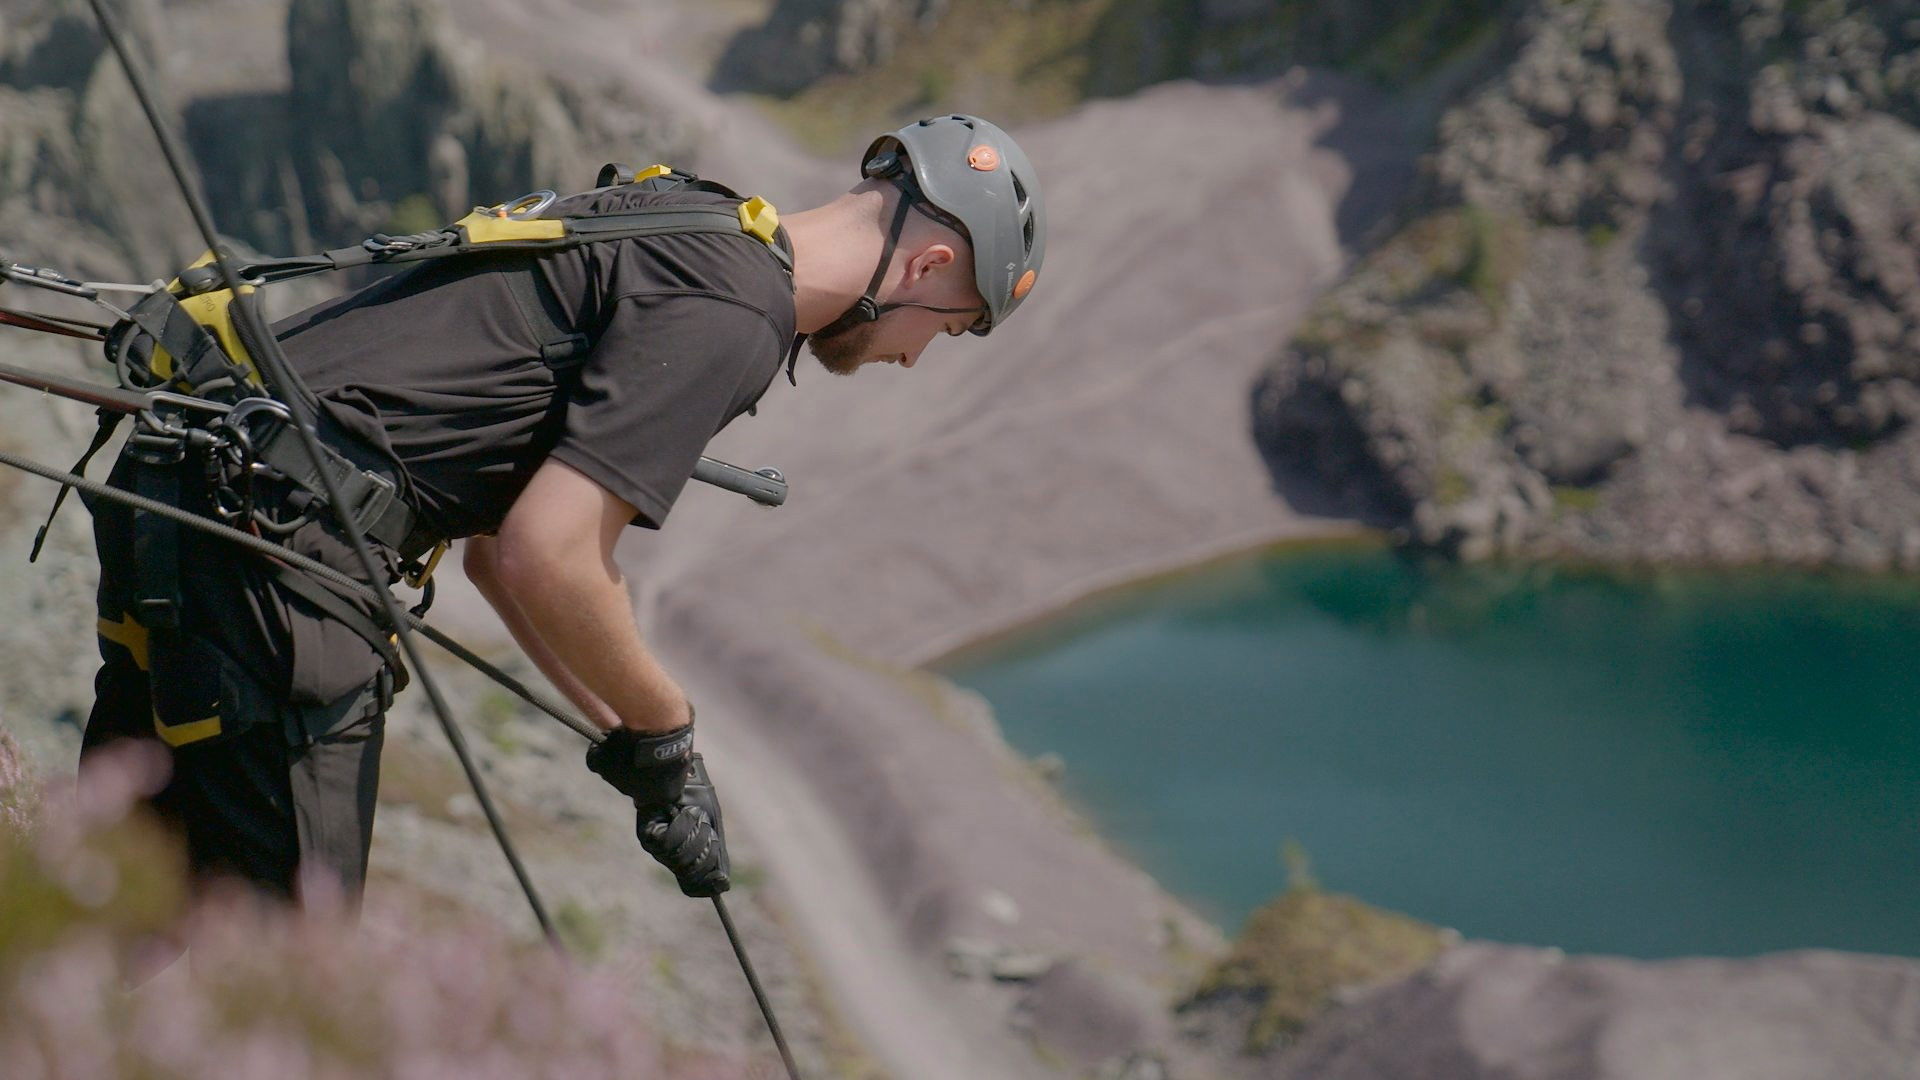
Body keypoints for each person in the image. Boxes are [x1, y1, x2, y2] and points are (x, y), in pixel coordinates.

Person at [79, 114, 1046, 906]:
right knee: (286, 978)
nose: (917, 357)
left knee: (121, 900)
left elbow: (501, 555)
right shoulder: (741, 310)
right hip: (283, 554)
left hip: (187, 475)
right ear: (925, 268)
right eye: (951, 328)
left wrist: (634, 743)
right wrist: (667, 722)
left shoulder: (687, 214)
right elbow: (552, 556)